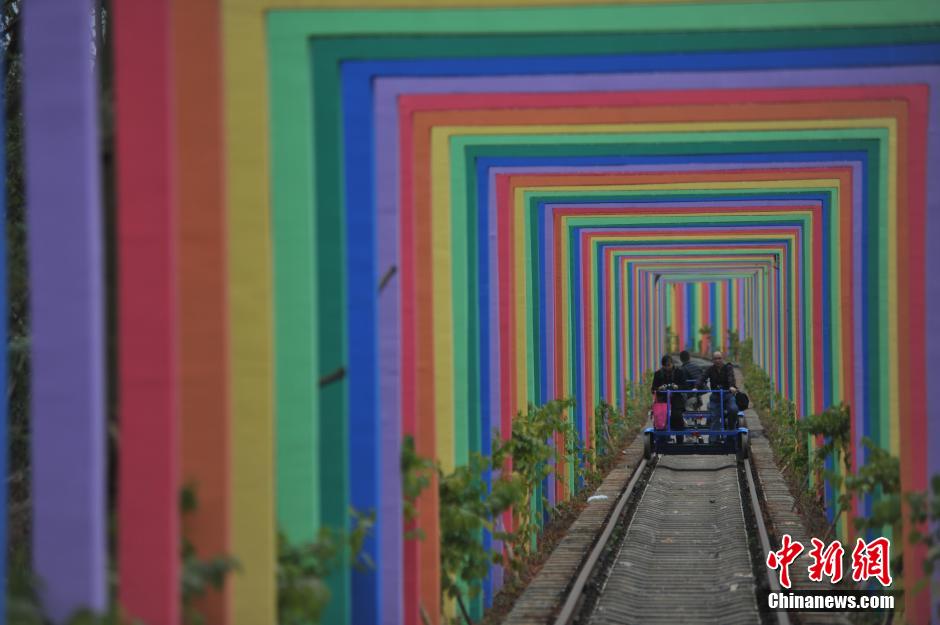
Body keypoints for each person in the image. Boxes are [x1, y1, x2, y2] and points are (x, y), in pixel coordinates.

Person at [698, 351, 739, 438]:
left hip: (727, 395)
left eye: (719, 358)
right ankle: (714, 439)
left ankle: (731, 429)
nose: (717, 360)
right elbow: (702, 377)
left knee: (733, 409)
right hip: (716, 396)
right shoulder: (710, 369)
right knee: (715, 416)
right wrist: (696, 387)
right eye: (715, 359)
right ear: (712, 360)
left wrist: (731, 386)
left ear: (722, 359)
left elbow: (731, 377)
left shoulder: (728, 368)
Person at [652, 355, 688, 443]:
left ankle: (679, 439)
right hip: (662, 400)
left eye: (669, 365)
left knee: (677, 416)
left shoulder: (679, 372)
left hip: (676, 399)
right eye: (665, 366)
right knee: (661, 418)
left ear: (672, 364)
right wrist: (659, 388)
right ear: (663, 365)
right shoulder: (658, 374)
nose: (667, 367)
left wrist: (677, 387)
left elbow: (685, 386)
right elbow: (653, 389)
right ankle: (662, 439)